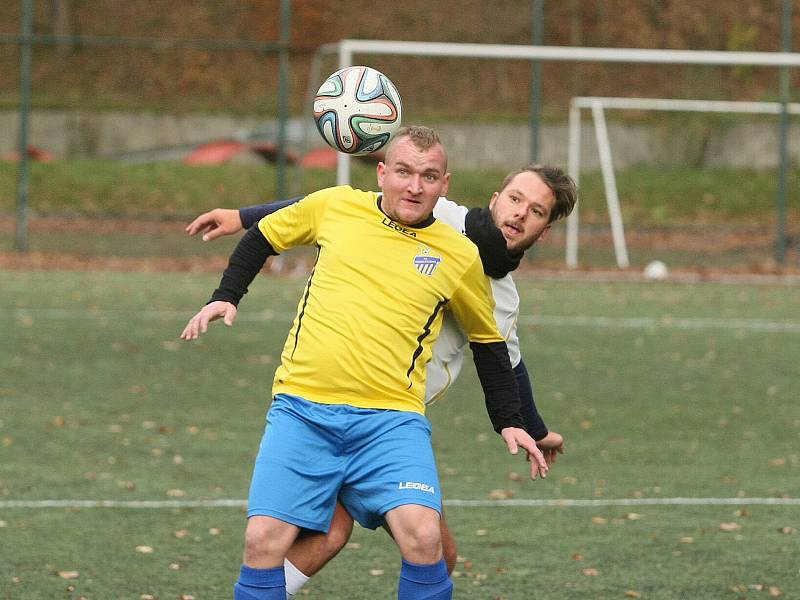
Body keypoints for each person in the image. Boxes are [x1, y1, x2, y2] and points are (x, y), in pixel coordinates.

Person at [180, 125, 548, 600]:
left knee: (425, 537)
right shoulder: (336, 205)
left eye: (428, 176)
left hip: (390, 422)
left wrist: (511, 421)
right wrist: (226, 297)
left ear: (445, 185)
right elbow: (263, 236)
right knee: (263, 540)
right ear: (381, 174)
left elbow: (490, 344)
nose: (415, 186)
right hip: (302, 410)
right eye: (404, 173)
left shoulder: (459, 254)